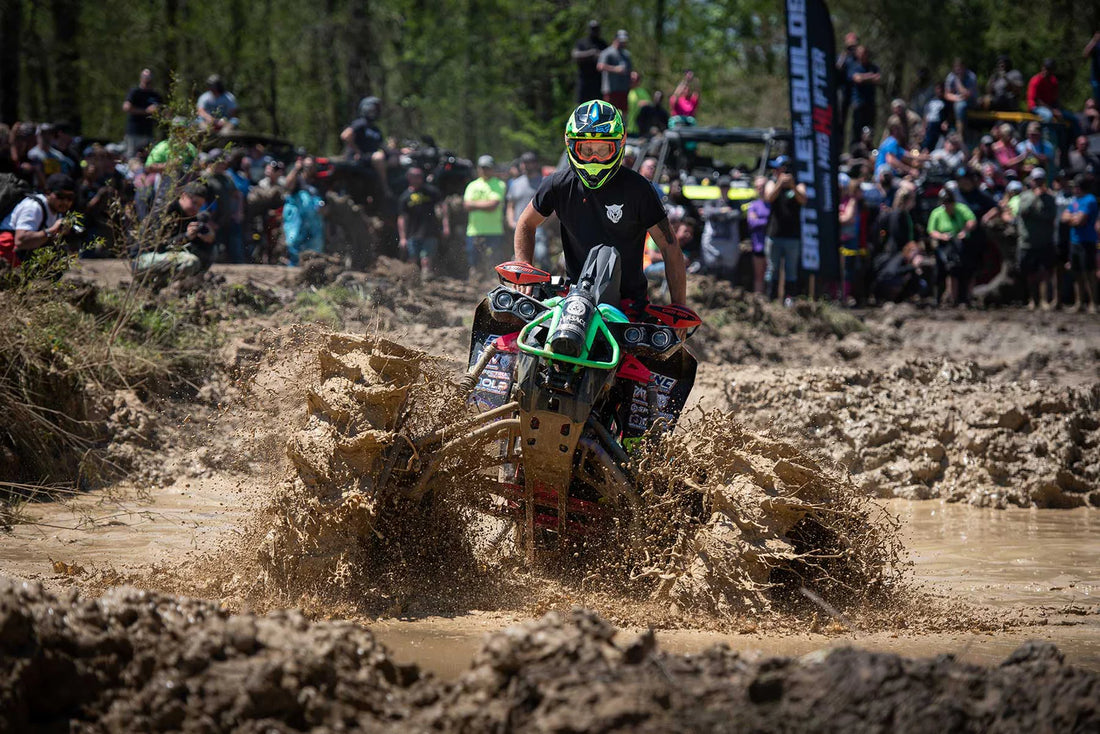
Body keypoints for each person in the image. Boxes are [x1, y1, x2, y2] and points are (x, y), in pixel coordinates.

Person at [512, 99, 687, 311]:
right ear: (571, 146)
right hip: (573, 297)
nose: (594, 158)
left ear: (619, 145)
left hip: (628, 305)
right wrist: (524, 272)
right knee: (509, 326)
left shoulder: (639, 189)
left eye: (603, 150)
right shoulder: (558, 184)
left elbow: (670, 246)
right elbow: (525, 223)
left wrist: (679, 307)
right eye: (586, 150)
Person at [132, 181, 214, 279]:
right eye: (194, 202)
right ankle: (157, 286)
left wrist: (208, 239)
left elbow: (198, 248)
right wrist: (186, 236)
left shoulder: (190, 216)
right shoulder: (165, 212)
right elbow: (159, 247)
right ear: (183, 196)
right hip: (142, 259)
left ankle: (187, 285)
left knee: (210, 252)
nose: (196, 208)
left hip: (163, 258)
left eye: (200, 206)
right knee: (189, 261)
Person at [0, 173, 76, 268]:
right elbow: (20, 241)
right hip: (6, 249)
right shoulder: (34, 207)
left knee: (60, 253)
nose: (65, 202)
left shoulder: (57, 210)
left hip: (18, 252)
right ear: (47, 192)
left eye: (70, 198)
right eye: (60, 196)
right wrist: (52, 231)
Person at [764, 158, 807, 300]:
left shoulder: (799, 184)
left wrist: (792, 186)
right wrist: (779, 184)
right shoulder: (772, 182)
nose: (775, 171)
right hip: (774, 234)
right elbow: (769, 198)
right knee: (772, 269)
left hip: (792, 236)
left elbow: (803, 199)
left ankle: (790, 298)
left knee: (791, 270)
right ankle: (771, 298)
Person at [1015, 168, 1058, 310]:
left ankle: (1044, 300)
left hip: (1044, 241)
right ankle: (1033, 300)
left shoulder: (1050, 198)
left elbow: (1050, 216)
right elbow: (1023, 211)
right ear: (1032, 181)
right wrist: (1035, 197)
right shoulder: (1025, 196)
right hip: (1027, 242)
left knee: (1045, 272)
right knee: (1030, 273)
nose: (1039, 183)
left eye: (1041, 180)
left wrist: (1038, 214)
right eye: (1036, 180)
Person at [927, 185, 976, 305]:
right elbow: (931, 231)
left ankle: (963, 298)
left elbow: (972, 220)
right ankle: (942, 298)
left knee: (963, 270)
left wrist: (965, 231)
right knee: (943, 271)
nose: (948, 206)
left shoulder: (961, 208)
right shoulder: (937, 213)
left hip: (960, 244)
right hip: (943, 246)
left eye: (949, 203)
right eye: (945, 203)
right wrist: (942, 236)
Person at [397, 166, 448, 279]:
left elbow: (443, 207)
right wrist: (403, 237)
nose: (419, 179)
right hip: (412, 233)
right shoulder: (405, 197)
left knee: (426, 259)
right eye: (416, 176)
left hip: (430, 231)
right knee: (413, 259)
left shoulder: (431, 191)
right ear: (409, 178)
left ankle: (426, 280)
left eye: (420, 176)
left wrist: (445, 226)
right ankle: (412, 281)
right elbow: (402, 218)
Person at [463, 154, 507, 279]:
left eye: (487, 167)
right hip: (474, 230)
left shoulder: (499, 184)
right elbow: (466, 205)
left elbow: (493, 205)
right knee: (473, 259)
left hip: (494, 230)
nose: (484, 170)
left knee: (494, 259)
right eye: (482, 167)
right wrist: (485, 204)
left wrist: (474, 204)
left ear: (492, 168)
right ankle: (475, 281)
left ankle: (493, 280)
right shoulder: (472, 185)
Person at [1062, 174, 1099, 312]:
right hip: (1074, 241)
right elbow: (1064, 217)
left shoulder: (1090, 200)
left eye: (1075, 187)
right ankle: (1079, 303)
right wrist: (1073, 218)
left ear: (1080, 187)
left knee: (1089, 273)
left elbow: (1080, 221)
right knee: (1076, 272)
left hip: (1087, 241)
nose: (1073, 189)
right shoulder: (1075, 201)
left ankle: (1093, 303)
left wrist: (1072, 218)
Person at [340, 96, 389, 197]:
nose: (377, 111)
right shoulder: (361, 123)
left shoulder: (375, 129)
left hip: (369, 157)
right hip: (359, 158)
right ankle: (384, 187)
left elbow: (383, 146)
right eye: (375, 108)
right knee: (379, 157)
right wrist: (357, 151)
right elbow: (345, 136)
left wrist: (400, 151)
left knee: (394, 159)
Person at [506, 152, 547, 269]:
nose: (527, 165)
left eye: (530, 162)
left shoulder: (544, 182)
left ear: (535, 164)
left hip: (539, 226)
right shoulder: (515, 183)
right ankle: (522, 285)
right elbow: (510, 205)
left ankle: (544, 283)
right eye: (524, 163)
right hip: (518, 226)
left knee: (542, 255)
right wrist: (510, 221)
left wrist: (546, 223)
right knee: (520, 261)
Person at [1027, 59, 1080, 151]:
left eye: (1050, 69)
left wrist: (1058, 110)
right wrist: (1053, 110)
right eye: (1046, 68)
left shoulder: (1053, 81)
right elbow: (1036, 100)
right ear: (1042, 68)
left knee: (1072, 118)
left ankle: (1077, 142)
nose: (1047, 71)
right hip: (1036, 107)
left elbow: (1055, 99)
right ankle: (1047, 140)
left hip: (1050, 107)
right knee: (1048, 115)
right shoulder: (1036, 80)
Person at [282, 156, 325, 266]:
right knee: (294, 243)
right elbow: (287, 186)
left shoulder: (318, 182)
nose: (309, 169)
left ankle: (311, 268)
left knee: (314, 247)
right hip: (297, 220)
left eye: (311, 166)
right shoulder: (298, 179)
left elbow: (325, 203)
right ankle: (293, 267)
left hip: (313, 222)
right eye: (307, 166)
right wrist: (296, 168)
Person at [699, 176, 739, 281]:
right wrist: (722, 211)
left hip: (729, 242)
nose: (724, 189)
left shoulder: (735, 203)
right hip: (713, 243)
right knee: (711, 271)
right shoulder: (711, 202)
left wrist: (717, 214)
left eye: (726, 187)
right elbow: (707, 212)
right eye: (722, 187)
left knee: (729, 273)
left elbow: (736, 214)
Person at [122, 68, 162, 159]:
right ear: (141, 78)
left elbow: (163, 111)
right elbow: (126, 107)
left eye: (149, 76)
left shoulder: (156, 95)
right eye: (145, 76)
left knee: (150, 157)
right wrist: (145, 111)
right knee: (131, 157)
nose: (147, 79)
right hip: (134, 132)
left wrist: (158, 112)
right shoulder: (135, 92)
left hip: (149, 132)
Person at [848, 46, 881, 145]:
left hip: (870, 102)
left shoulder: (873, 67)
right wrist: (870, 76)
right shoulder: (854, 66)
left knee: (870, 128)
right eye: (860, 53)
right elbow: (857, 79)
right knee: (857, 127)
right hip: (858, 102)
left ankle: (868, 147)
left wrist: (864, 77)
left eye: (865, 53)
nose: (863, 55)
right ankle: (855, 148)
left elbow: (878, 78)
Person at [572, 20, 608, 104]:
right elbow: (575, 55)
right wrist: (590, 53)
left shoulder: (602, 43)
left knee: (598, 104)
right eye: (593, 29)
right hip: (584, 79)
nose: (594, 31)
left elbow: (607, 57)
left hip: (598, 81)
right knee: (582, 104)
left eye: (596, 29)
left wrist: (599, 55)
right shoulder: (582, 42)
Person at [597, 30, 632, 114]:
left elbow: (629, 69)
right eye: (621, 41)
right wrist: (615, 69)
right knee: (610, 112)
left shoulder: (626, 54)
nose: (623, 43)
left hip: (624, 88)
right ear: (616, 39)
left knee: (624, 111)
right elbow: (600, 66)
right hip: (610, 89)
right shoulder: (607, 52)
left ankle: (624, 127)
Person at [746, 176, 770, 294]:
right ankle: (759, 301)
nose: (760, 189)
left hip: (772, 245)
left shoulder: (772, 203)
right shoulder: (754, 205)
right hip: (758, 246)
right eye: (757, 187)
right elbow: (752, 223)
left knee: (771, 276)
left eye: (763, 187)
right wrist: (766, 220)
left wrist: (760, 220)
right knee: (759, 276)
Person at [836, 32, 860, 147]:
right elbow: (837, 68)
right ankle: (839, 146)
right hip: (843, 91)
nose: (852, 49)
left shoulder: (858, 59)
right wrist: (844, 54)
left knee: (856, 123)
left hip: (856, 93)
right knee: (840, 122)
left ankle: (854, 147)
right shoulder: (842, 57)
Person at [944, 58, 978, 132]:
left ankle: (960, 134)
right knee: (940, 105)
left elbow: (967, 94)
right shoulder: (951, 76)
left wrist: (958, 80)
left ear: (964, 67)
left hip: (971, 101)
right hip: (957, 99)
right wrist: (956, 98)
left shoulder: (971, 76)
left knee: (960, 106)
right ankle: (947, 129)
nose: (957, 69)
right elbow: (947, 94)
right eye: (956, 67)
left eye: (959, 67)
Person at [626, 71, 652, 136]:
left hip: (637, 129)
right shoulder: (624, 91)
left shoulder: (642, 92)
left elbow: (650, 104)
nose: (633, 81)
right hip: (623, 128)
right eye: (631, 79)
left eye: (636, 79)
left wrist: (645, 103)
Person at [1086, 31, 1100, 105]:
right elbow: (1086, 54)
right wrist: (1094, 40)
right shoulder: (1096, 44)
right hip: (1096, 79)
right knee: (1097, 102)